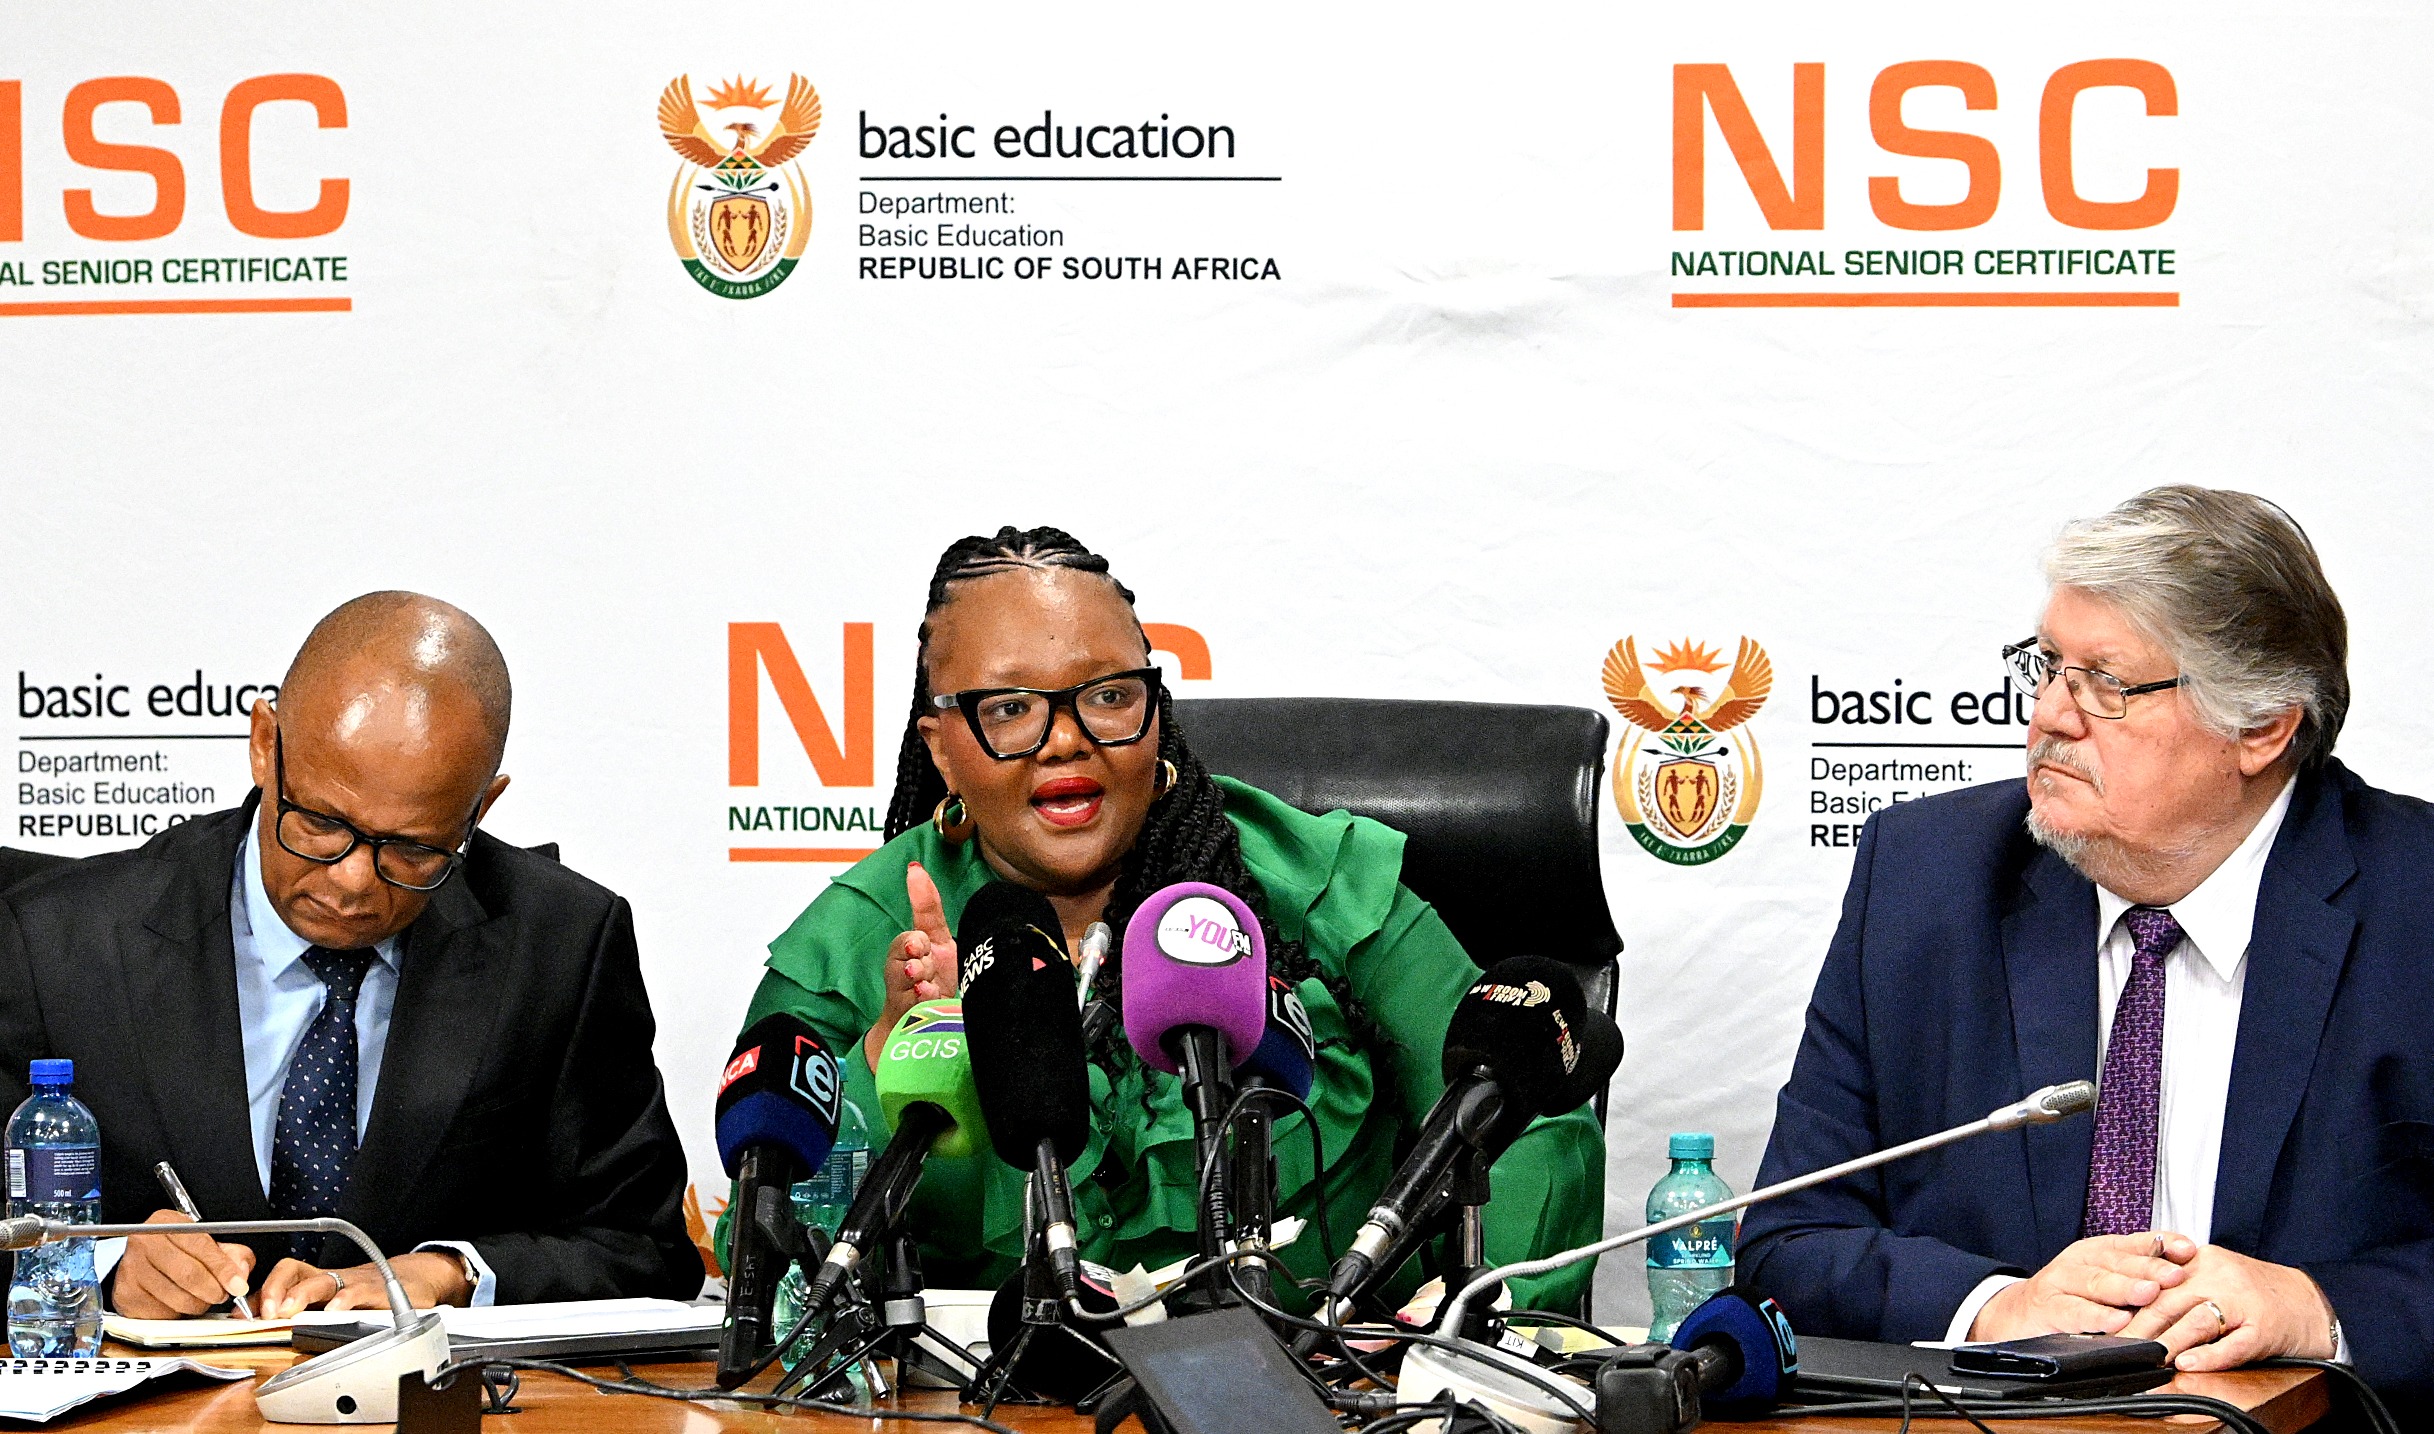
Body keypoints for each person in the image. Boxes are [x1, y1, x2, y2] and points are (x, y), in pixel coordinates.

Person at [732, 527, 1605, 1310]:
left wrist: (1453, 1318)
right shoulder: (863, 937)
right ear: (940, 748)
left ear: (1157, 710)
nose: (1065, 738)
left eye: (1108, 695)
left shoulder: (1321, 888)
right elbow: (764, 1234)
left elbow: (1528, 1122)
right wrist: (888, 1062)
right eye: (1008, 708)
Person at [1740, 487, 2431, 1418]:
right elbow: (1789, 1237)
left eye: (2108, 682)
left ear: (2263, 728)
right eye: (2049, 666)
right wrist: (1996, 1306)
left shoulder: (2413, 906)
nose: (2051, 716)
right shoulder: (1927, 878)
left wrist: (2318, 1308)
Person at [0, 593, 701, 1317]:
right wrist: (101, 1266)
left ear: (481, 808)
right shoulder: (56, 942)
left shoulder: (561, 944)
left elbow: (642, 1248)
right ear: (264, 743)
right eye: (323, 823)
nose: (355, 881)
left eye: (415, 848)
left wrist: (451, 1273)